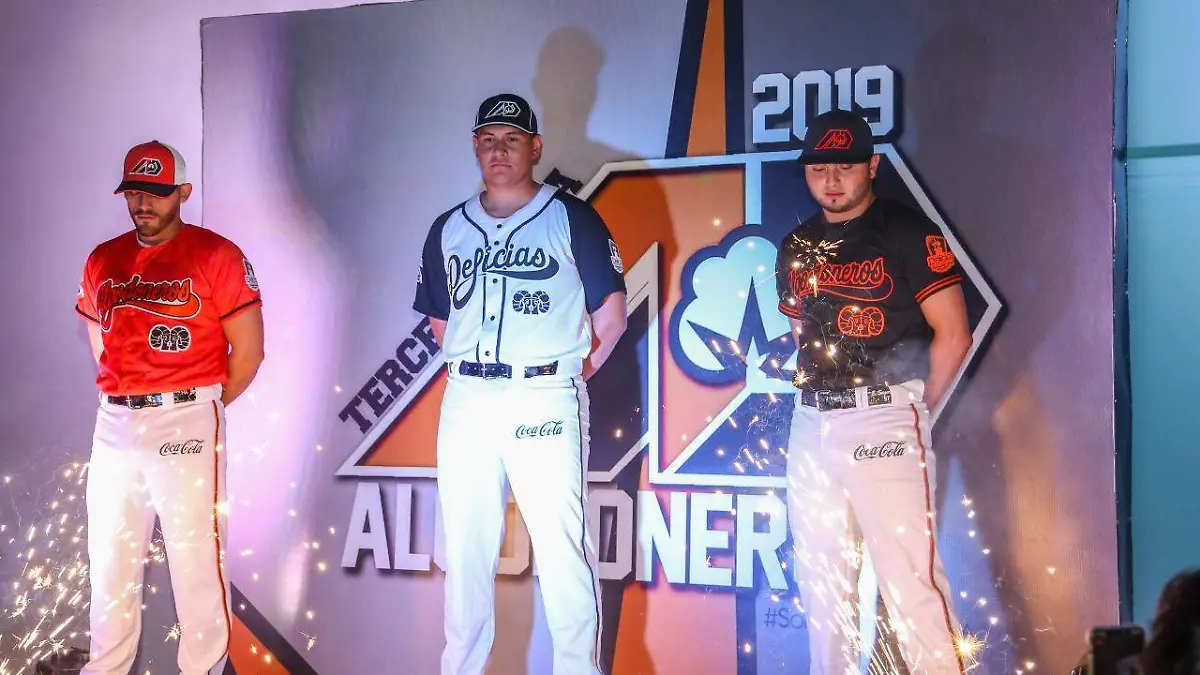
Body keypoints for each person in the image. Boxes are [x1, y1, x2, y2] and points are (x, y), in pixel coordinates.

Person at [412, 93, 627, 675]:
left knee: (561, 550)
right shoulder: (448, 227)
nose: (499, 150)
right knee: (465, 551)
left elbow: (611, 316)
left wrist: (561, 376)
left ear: (535, 147)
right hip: (467, 398)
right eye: (488, 139)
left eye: (512, 139)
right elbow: (441, 322)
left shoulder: (571, 216)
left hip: (544, 395)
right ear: (475, 147)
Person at [774, 109, 973, 675]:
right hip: (811, 420)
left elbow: (954, 334)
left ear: (872, 166)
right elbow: (802, 334)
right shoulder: (796, 245)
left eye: (845, 166)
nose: (831, 179)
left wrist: (914, 409)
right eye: (819, 168)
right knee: (822, 588)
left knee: (911, 585)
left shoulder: (907, 231)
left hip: (883, 413)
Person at [75, 140, 265, 675]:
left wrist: (200, 405)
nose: (143, 203)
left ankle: (201, 670)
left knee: (195, 559)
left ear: (183, 191)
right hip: (115, 419)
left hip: (185, 414)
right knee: (109, 560)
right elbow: (100, 342)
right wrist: (130, 397)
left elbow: (249, 352)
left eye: (156, 193)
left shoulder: (215, 254)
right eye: (134, 192)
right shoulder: (102, 259)